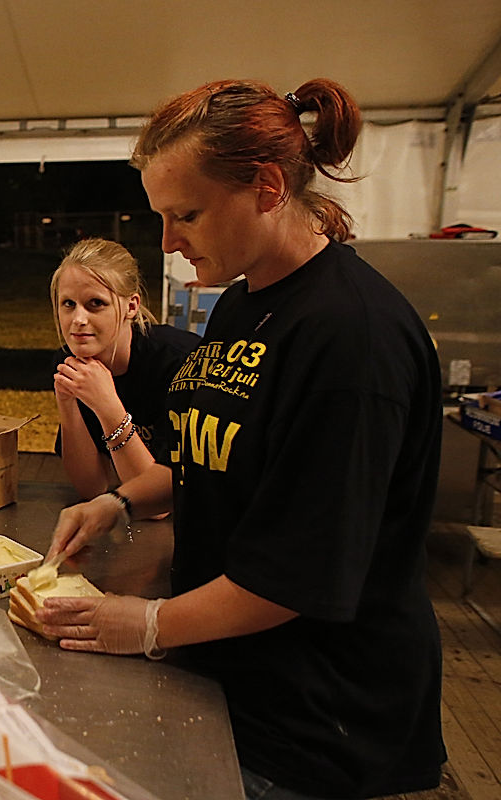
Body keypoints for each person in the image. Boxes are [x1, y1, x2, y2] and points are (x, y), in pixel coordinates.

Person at [38, 79, 445, 799]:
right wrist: (122, 505)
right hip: (232, 676)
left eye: (185, 214)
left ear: (264, 187)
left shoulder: (352, 339)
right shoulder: (239, 302)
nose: (167, 241)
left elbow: (301, 573)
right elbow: (216, 464)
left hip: (316, 722)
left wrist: (146, 622)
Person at [50, 238, 199, 499]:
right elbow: (91, 487)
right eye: (68, 304)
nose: (78, 320)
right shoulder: (70, 364)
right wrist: (67, 403)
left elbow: (157, 502)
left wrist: (108, 407)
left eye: (95, 303)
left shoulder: (179, 363)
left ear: (131, 306)